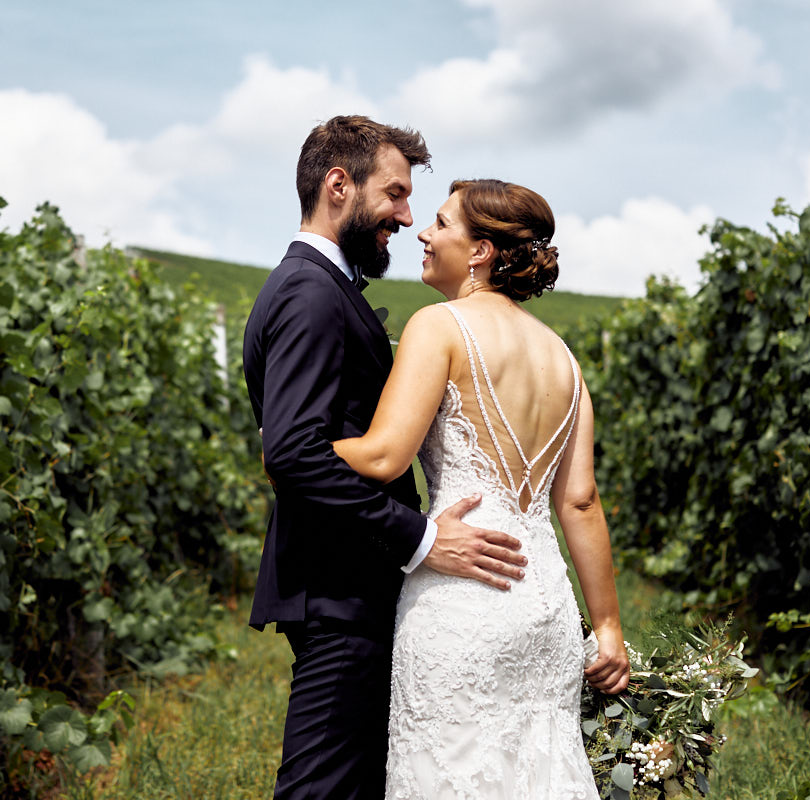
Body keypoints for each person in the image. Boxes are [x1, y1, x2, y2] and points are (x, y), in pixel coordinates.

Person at [242, 117, 529, 798]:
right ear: (338, 185)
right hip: (340, 591)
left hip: (349, 585)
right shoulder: (312, 294)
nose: (404, 216)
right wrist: (424, 538)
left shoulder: (319, 287)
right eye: (395, 194)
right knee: (321, 788)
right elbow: (294, 453)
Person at [332, 178, 631, 798]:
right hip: (544, 607)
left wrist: (295, 447)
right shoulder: (564, 360)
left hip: (462, 599)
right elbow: (579, 502)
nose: (424, 232)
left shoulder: (438, 326)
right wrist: (607, 628)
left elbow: (385, 456)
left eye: (441, 224)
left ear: (479, 252)